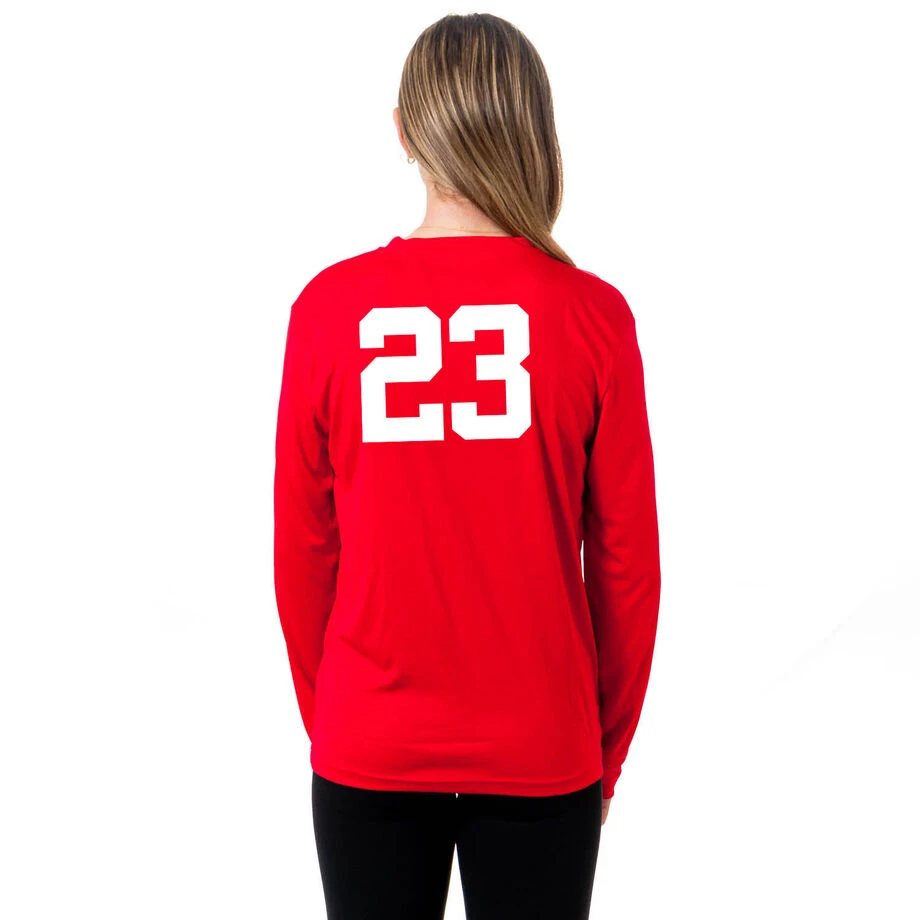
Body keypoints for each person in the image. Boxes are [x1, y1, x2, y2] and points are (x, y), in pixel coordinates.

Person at [273, 12, 661, 919]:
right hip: (543, 749)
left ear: (403, 131)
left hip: (368, 743)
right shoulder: (592, 316)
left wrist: (341, 723)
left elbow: (302, 555)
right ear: (533, 128)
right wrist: (603, 749)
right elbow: (627, 569)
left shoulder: (326, 310)